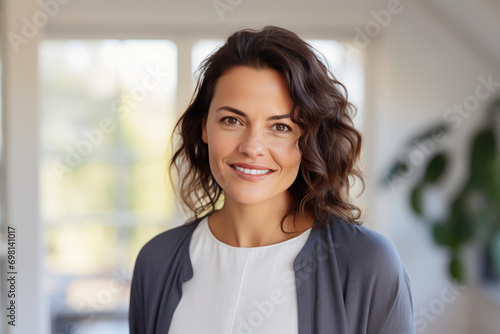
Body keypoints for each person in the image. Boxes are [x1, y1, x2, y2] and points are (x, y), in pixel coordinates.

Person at [129, 25, 415, 334]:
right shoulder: (156, 262)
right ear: (204, 127)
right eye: (232, 120)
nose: (252, 147)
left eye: (280, 127)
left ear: (309, 139)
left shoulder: (367, 264)